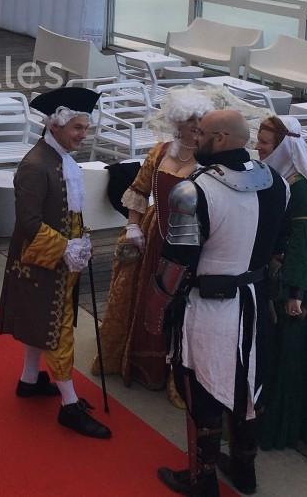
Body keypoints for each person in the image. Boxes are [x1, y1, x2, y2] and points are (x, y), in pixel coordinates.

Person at [156, 109, 290, 497]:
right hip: (256, 302)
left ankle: (202, 478)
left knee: (204, 389)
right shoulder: (277, 184)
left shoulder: (193, 191)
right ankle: (245, 472)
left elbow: (176, 265)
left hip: (209, 306)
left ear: (221, 139)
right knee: (248, 387)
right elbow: (279, 245)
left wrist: (161, 300)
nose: (195, 139)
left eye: (202, 134)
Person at [0, 87, 112, 439]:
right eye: (77, 127)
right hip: (43, 259)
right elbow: (28, 223)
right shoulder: (35, 166)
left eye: (85, 128)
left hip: (60, 256)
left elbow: (68, 209)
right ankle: (69, 404)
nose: (83, 134)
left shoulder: (59, 158)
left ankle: (30, 380)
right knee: (55, 329)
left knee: (44, 320)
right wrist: (66, 248)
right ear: (56, 126)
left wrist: (80, 238)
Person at [94, 87, 211, 392]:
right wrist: (133, 227)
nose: (198, 124)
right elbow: (139, 190)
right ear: (178, 122)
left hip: (187, 241)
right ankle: (141, 365)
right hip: (153, 232)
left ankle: (173, 372)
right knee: (147, 301)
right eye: (191, 119)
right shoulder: (160, 151)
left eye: (201, 119)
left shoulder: (209, 160)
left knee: (175, 302)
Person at [255, 114, 307, 451]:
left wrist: (296, 294)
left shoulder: (298, 189)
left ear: (282, 147)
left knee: (289, 356)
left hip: (295, 288)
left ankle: (282, 429)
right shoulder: (283, 179)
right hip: (285, 279)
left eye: (263, 143)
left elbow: (304, 244)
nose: (257, 149)